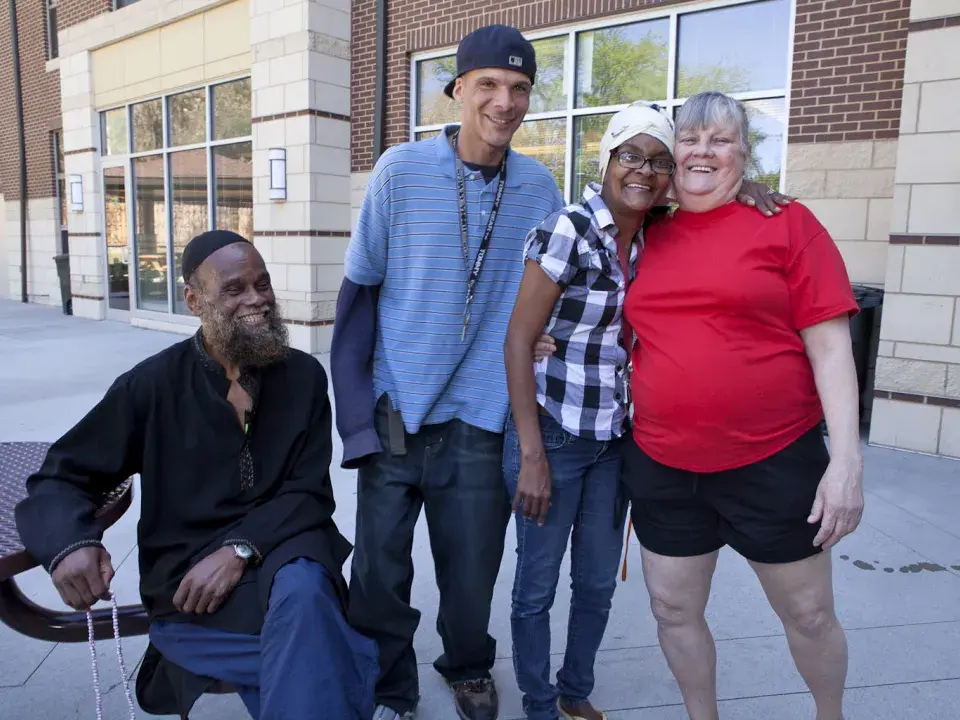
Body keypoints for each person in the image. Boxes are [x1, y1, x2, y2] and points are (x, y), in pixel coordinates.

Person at [15, 230, 379, 720]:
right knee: (323, 647)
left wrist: (241, 548)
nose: (256, 300)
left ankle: (188, 661)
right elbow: (60, 477)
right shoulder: (151, 387)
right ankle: (343, 665)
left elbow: (309, 493)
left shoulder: (304, 377)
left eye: (263, 284)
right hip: (188, 575)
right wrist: (70, 545)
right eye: (234, 289)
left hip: (282, 544)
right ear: (194, 299)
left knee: (306, 591)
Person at [331, 24, 564, 720]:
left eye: (519, 88)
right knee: (379, 572)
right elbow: (359, 293)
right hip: (397, 407)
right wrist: (355, 418)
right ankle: (387, 683)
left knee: (471, 571)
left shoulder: (538, 185)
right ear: (458, 89)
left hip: (480, 412)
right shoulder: (399, 172)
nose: (505, 101)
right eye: (489, 84)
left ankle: (466, 666)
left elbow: (558, 280)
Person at [621, 91, 863, 720]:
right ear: (671, 153)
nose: (703, 150)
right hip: (663, 463)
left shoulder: (787, 223)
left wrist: (846, 464)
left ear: (743, 154)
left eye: (721, 140)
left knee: (809, 614)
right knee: (673, 608)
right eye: (690, 137)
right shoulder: (642, 228)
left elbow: (832, 348)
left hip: (775, 460)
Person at [502, 102, 676, 720]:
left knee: (599, 583)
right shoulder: (568, 229)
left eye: (659, 161)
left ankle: (575, 691)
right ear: (607, 159)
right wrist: (531, 457)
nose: (644, 171)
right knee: (537, 587)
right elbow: (519, 340)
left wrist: (756, 187)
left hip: (614, 437)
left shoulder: (660, 235)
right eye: (632, 155)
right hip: (554, 431)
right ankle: (539, 701)